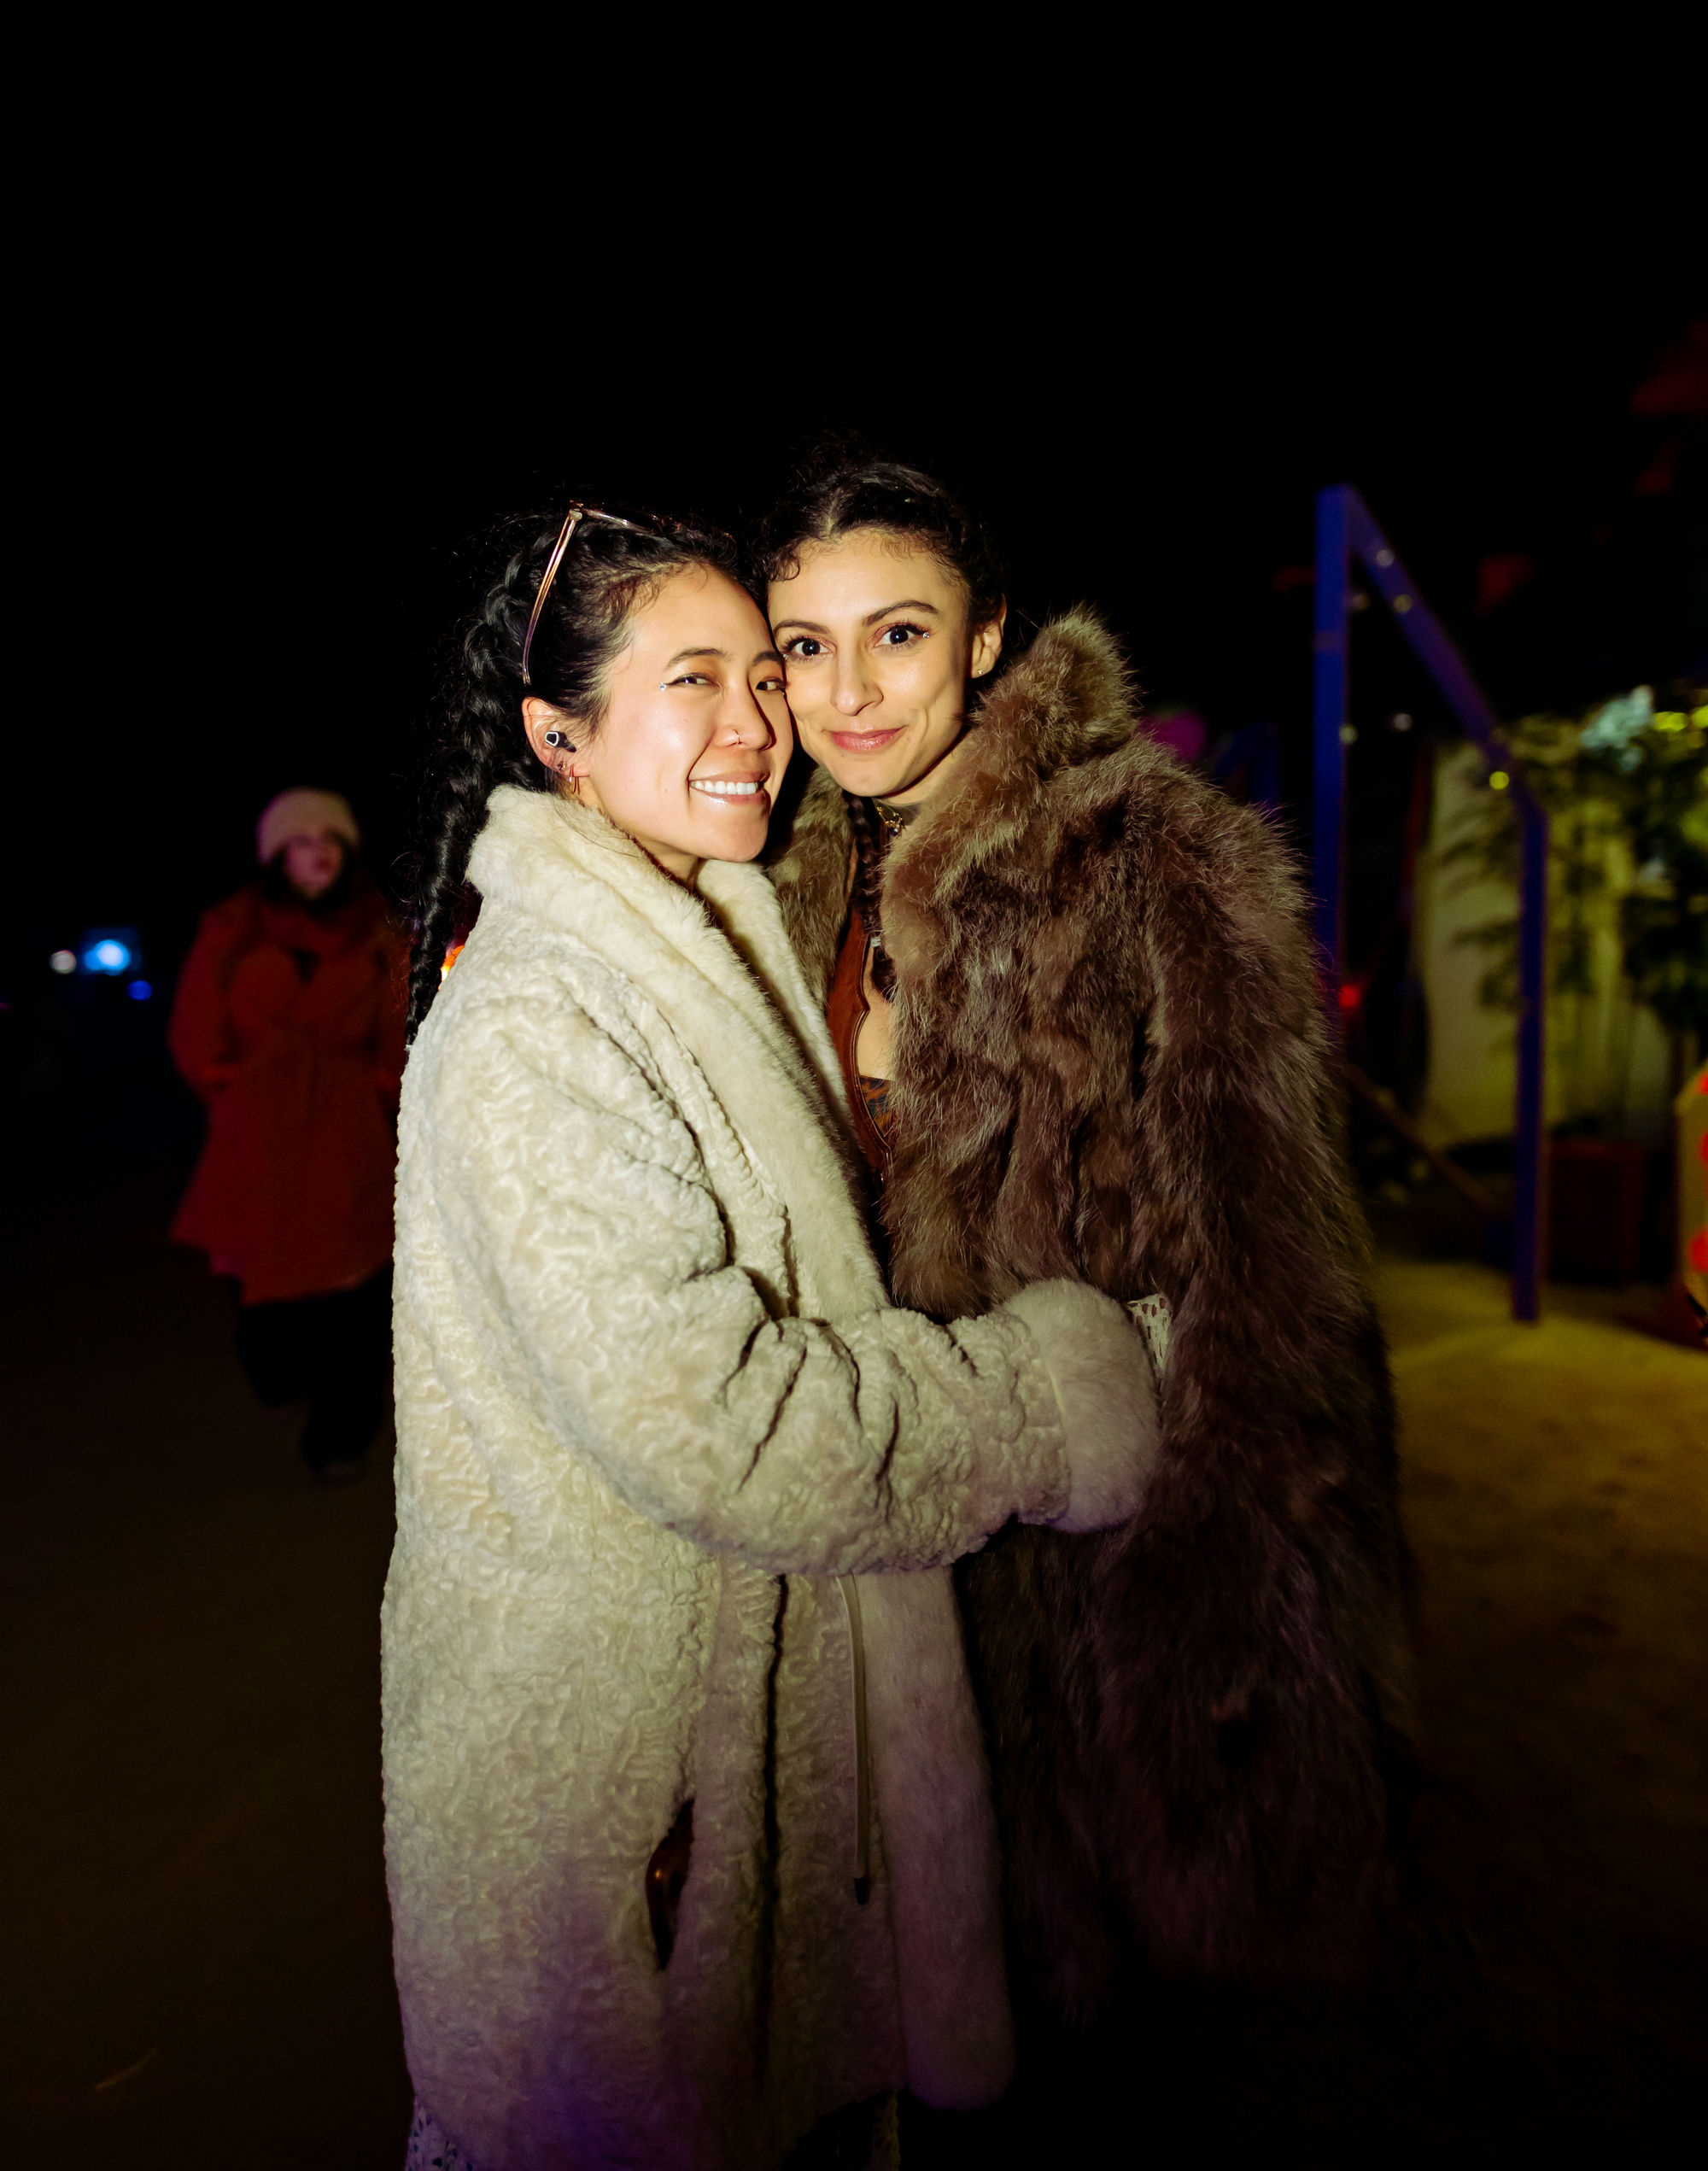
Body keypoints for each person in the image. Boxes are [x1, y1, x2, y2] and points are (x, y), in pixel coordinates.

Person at [388, 505, 1161, 2171]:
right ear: (559, 734)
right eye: (694, 679)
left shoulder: (704, 937)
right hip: (634, 1804)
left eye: (763, 672)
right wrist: (1066, 1393)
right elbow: (730, 1428)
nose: (759, 722)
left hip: (748, 1749)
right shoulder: (538, 1021)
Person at [756, 434, 1415, 2030]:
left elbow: (1275, 1270)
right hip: (887, 1521)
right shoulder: (782, 880)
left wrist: (1217, 1591)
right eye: (806, 647)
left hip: (1105, 1548)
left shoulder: (1153, 853)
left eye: (897, 633)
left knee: (1103, 2001)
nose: (849, 692)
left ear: (985, 635)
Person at [169, 787, 406, 1483]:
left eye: (330, 840)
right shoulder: (233, 930)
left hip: (344, 1133)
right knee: (263, 1295)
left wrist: (377, 1093)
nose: (318, 853)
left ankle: (341, 1436)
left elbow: (398, 1030)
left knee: (354, 1294)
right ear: (277, 856)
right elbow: (194, 1030)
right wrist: (227, 1093)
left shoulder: (380, 933)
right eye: (301, 842)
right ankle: (278, 1378)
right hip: (258, 1131)